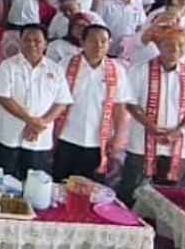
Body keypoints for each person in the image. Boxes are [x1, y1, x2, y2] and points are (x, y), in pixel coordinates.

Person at [120, 29, 185, 205]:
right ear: (159, 46)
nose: (174, 49)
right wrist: (150, 126)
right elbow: (130, 103)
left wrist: (180, 131)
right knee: (131, 190)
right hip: (142, 141)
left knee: (168, 196)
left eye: (180, 45)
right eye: (168, 44)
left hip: (177, 143)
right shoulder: (139, 70)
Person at [51, 25, 133, 182]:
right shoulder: (65, 65)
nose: (99, 46)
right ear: (82, 42)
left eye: (103, 41)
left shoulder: (117, 71)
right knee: (60, 184)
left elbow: (120, 107)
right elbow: (54, 101)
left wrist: (118, 137)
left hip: (97, 141)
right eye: (93, 41)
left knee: (91, 190)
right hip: (67, 136)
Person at [0, 25, 73, 178]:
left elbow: (62, 102)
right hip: (8, 134)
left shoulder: (56, 69)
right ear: (20, 42)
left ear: (45, 44)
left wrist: (40, 123)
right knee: (1, 181)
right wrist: (31, 121)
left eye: (37, 41)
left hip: (39, 137)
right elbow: (3, 97)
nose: (32, 44)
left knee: (33, 184)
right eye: (27, 40)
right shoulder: (7, 66)